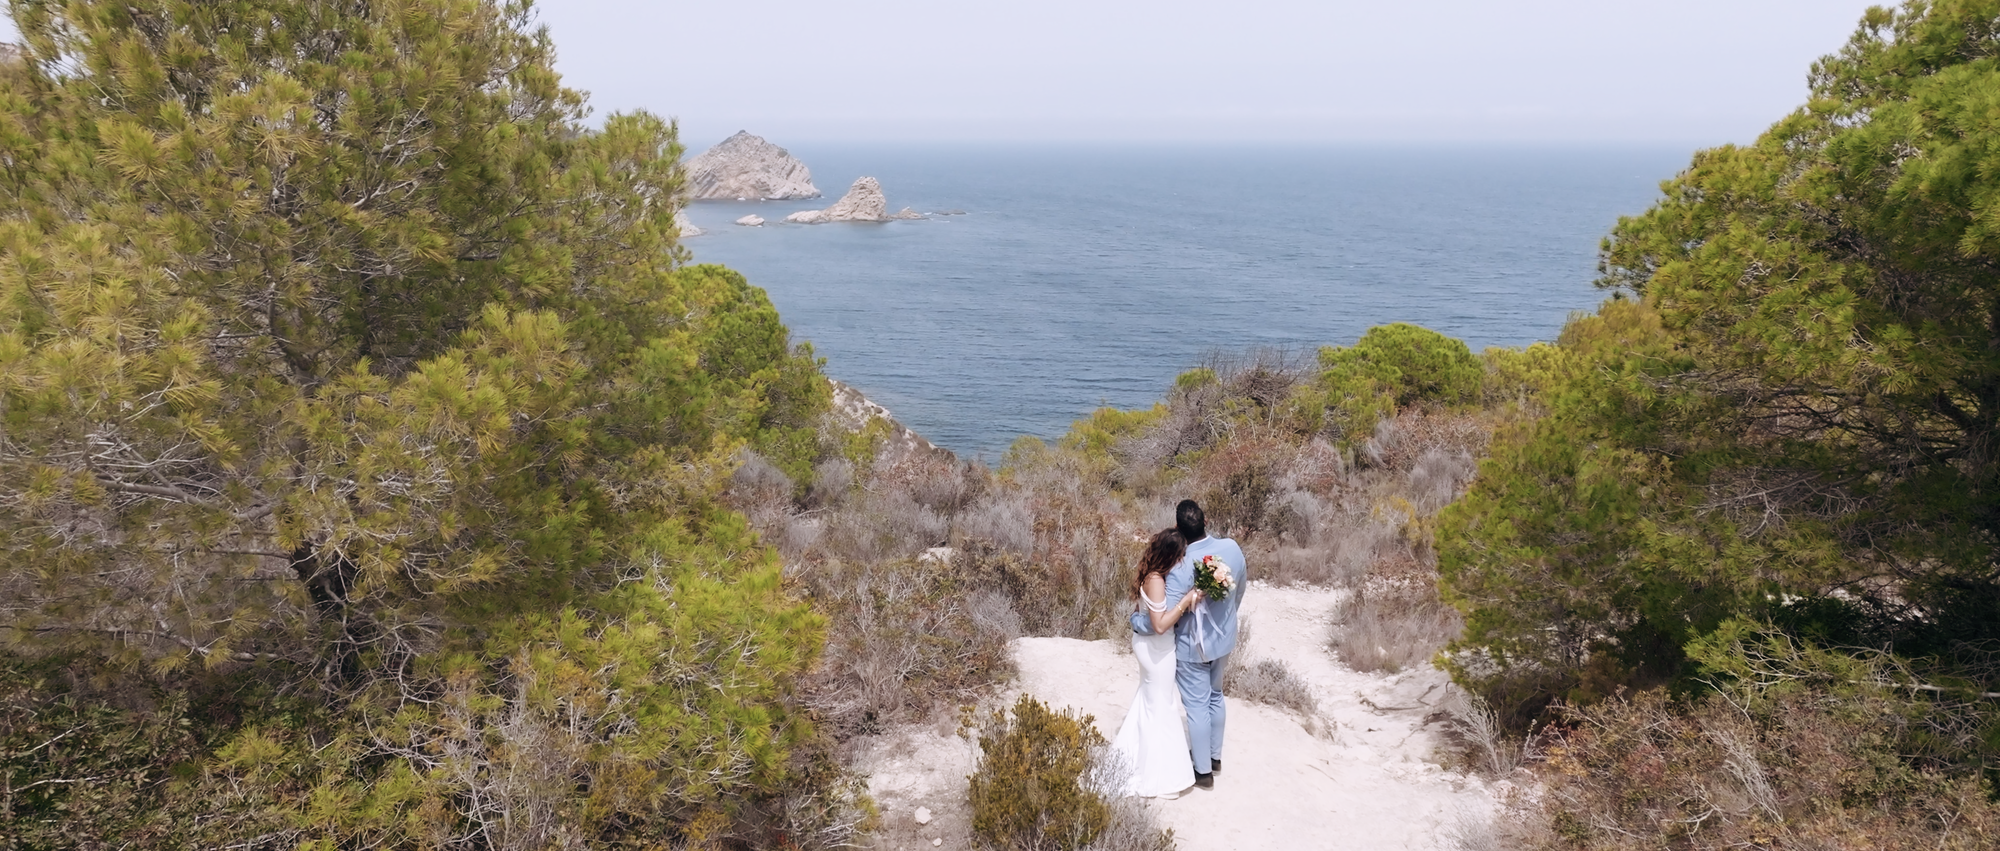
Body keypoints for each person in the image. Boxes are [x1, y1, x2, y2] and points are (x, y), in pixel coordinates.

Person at [1131, 499, 1247, 789]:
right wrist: (1228, 617)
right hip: (1224, 639)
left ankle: (1203, 772)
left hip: (1191, 647)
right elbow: (1240, 587)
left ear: (1178, 528)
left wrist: (1137, 622)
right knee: (1216, 697)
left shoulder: (1180, 566)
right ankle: (1215, 757)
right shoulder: (1231, 548)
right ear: (1205, 521)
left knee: (1196, 707)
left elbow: (1164, 617)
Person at [1110, 529, 1201, 798]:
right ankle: (1159, 777)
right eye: (1181, 555)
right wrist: (1186, 602)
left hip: (1151, 648)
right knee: (1162, 706)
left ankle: (1135, 760)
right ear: (1172, 555)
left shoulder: (1150, 573)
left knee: (1150, 702)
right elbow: (1160, 625)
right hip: (1157, 651)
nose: (1183, 560)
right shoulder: (1157, 581)